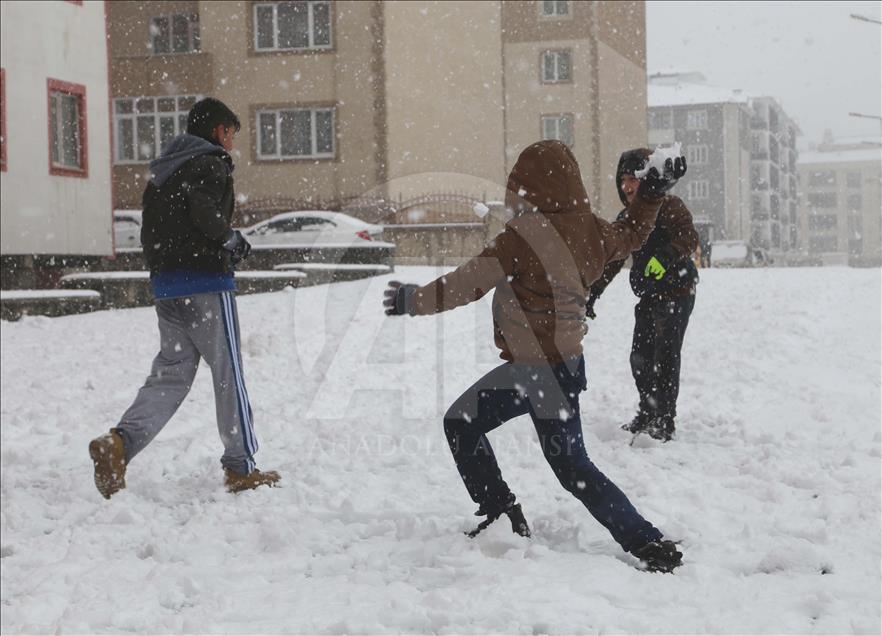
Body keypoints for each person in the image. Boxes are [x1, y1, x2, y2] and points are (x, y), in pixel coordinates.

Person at [383, 140, 686, 572]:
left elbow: (465, 283)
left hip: (532, 372)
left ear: (525, 187)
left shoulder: (521, 239)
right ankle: (643, 539)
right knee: (572, 467)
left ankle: (502, 512)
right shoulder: (592, 229)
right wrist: (652, 196)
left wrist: (413, 300)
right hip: (563, 369)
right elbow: (634, 234)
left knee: (464, 424)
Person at [89, 97, 280, 498]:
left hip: (167, 289)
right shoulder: (209, 163)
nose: (231, 142)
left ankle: (119, 443)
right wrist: (230, 239)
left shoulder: (163, 171)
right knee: (228, 373)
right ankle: (240, 465)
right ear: (217, 130)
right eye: (229, 133)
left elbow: (152, 229)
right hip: (207, 285)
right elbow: (204, 211)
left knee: (172, 373)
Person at [586, 148, 699, 442]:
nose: (626, 186)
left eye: (632, 179)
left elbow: (689, 237)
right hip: (649, 296)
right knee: (640, 357)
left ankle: (664, 418)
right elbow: (612, 260)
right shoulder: (627, 218)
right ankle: (648, 412)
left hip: (677, 291)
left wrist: (665, 257)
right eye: (622, 180)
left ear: (646, 179)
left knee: (666, 355)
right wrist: (593, 291)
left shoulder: (670, 206)